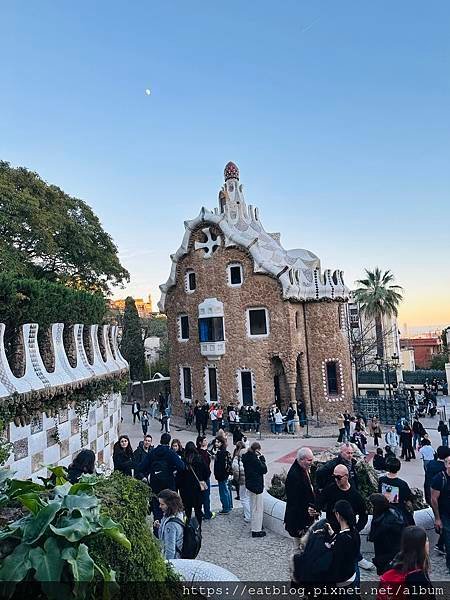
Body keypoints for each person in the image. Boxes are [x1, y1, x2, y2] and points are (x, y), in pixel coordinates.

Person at [141, 433, 186, 524]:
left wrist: (150, 471)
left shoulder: (153, 452)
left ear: (160, 440)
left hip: (155, 484)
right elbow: (182, 466)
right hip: (168, 483)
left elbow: (141, 467)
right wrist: (173, 470)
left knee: (157, 507)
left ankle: (157, 529)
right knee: (171, 507)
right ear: (169, 442)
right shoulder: (170, 453)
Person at [379, 526, 434, 599]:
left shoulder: (392, 564)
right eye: (426, 540)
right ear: (421, 546)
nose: (428, 543)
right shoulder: (418, 576)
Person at [284, 447, 318, 547]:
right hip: (299, 521)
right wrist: (308, 510)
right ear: (301, 459)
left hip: (305, 518)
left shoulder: (303, 469)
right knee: (299, 548)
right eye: (309, 460)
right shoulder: (294, 476)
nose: (312, 462)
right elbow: (295, 502)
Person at [326, 500, 361, 590]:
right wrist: (334, 535)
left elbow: (336, 561)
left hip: (342, 580)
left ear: (337, 514)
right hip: (351, 574)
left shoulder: (342, 539)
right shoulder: (354, 532)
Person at [368, 493, 406, 575]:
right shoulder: (394, 512)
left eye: (371, 505)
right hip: (395, 555)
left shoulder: (383, 523)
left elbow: (375, 537)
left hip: (387, 557)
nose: (370, 507)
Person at [177, 441, 209, 528]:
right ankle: (199, 527)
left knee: (187, 510)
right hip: (197, 489)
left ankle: (187, 527)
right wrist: (202, 479)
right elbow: (207, 472)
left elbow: (179, 477)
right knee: (198, 509)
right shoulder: (200, 459)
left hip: (185, 490)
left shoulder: (183, 461)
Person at [378, 457, 414, 525]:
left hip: (384, 511)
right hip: (399, 512)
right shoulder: (402, 484)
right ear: (398, 468)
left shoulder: (381, 480)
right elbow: (408, 498)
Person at [242, 442, 267, 537]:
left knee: (253, 507)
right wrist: (262, 459)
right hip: (256, 486)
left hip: (250, 485)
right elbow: (264, 469)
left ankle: (255, 526)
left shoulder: (246, 457)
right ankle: (256, 530)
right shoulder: (254, 460)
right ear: (256, 450)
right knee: (257, 508)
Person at [431, 453, 450, 572]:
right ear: (447, 465)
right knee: (449, 541)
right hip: (445, 514)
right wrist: (437, 518)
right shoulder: (439, 478)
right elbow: (434, 499)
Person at [154, 489, 184, 560]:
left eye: (162, 504)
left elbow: (170, 549)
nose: (160, 506)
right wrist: (161, 526)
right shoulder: (179, 513)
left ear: (170, 504)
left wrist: (167, 566)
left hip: (174, 559)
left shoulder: (171, 525)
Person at [196, 435, 216, 520]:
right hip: (204, 477)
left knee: (200, 496)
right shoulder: (204, 453)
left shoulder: (198, 452)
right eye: (204, 440)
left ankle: (200, 512)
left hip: (198, 477)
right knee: (206, 496)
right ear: (200, 442)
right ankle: (207, 513)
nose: (206, 442)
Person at [232, 441, 251, 523]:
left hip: (242, 480)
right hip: (250, 479)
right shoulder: (249, 454)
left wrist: (237, 480)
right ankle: (250, 514)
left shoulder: (237, 457)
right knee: (249, 497)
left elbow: (235, 469)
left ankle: (248, 516)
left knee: (243, 498)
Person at [214, 436, 233, 514]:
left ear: (221, 443)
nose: (216, 443)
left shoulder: (220, 453)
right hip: (225, 474)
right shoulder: (225, 452)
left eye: (217, 442)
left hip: (221, 475)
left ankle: (226, 508)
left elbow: (220, 466)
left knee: (223, 492)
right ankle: (228, 506)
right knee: (226, 490)